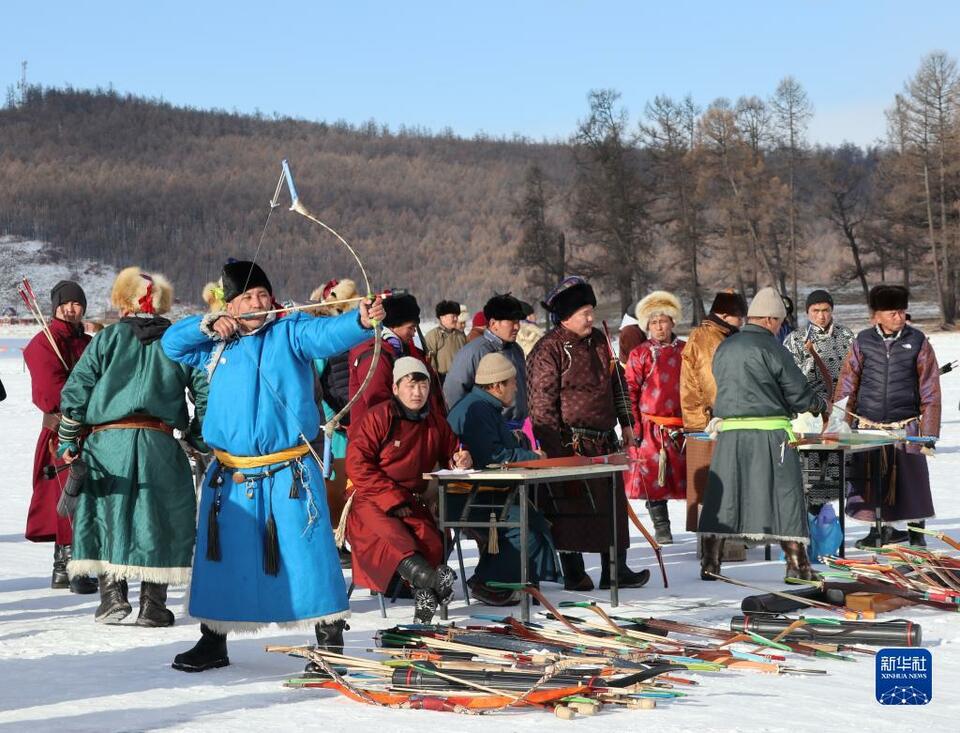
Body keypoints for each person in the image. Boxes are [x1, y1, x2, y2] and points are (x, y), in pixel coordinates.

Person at [161, 260, 382, 672]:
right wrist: (207, 326)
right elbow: (172, 345)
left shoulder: (290, 331)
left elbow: (328, 334)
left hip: (290, 472)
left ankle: (330, 643)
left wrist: (361, 320)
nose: (259, 302)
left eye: (263, 294)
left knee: (308, 553)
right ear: (231, 304)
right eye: (248, 297)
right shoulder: (216, 341)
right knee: (220, 556)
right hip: (231, 473)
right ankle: (213, 640)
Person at [58, 267, 207, 625]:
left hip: (106, 441)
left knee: (108, 512)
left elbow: (78, 387)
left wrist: (68, 438)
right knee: (160, 517)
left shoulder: (106, 339)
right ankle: (153, 606)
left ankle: (111, 598)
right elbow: (205, 392)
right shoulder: (177, 340)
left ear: (124, 302)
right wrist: (196, 436)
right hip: (159, 441)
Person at [698, 287, 827, 582]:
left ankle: (710, 563)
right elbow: (798, 394)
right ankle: (797, 566)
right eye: (779, 321)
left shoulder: (725, 346)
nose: (780, 326)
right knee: (785, 496)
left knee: (725, 497)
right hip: (770, 434)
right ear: (769, 319)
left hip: (729, 434)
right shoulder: (773, 348)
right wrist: (819, 403)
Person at [527, 276, 649, 592]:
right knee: (570, 511)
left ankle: (615, 571)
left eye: (591, 311)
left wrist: (627, 424)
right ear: (566, 315)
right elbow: (542, 401)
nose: (591, 318)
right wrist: (555, 448)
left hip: (604, 440)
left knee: (612, 507)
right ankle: (574, 573)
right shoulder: (549, 348)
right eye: (584, 312)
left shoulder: (598, 341)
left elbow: (617, 385)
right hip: (571, 443)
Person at [345, 357, 471, 622]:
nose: (417, 392)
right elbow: (357, 465)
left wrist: (460, 458)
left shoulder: (434, 421)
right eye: (410, 386)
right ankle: (434, 581)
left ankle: (424, 606)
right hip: (370, 499)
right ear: (395, 388)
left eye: (423, 386)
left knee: (432, 541)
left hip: (411, 500)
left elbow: (452, 451)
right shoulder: (378, 418)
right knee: (393, 539)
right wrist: (390, 497)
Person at [446, 353, 561, 604]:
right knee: (527, 528)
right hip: (467, 495)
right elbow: (492, 455)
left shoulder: (483, 406)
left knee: (532, 519)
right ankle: (489, 584)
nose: (516, 389)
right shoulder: (478, 410)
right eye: (512, 383)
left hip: (482, 492)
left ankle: (492, 579)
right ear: (497, 386)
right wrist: (532, 457)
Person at [834, 285, 941, 549]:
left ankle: (916, 535)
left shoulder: (918, 342)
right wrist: (839, 425)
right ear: (877, 316)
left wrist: (928, 433)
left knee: (912, 483)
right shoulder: (862, 342)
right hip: (870, 426)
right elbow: (848, 386)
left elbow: (930, 389)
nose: (899, 317)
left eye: (902, 311)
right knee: (872, 482)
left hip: (907, 426)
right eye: (893, 312)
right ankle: (877, 532)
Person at [22, 280, 97, 594]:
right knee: (68, 496)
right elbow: (53, 393)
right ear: (55, 307)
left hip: (93, 432)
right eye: (65, 303)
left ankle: (75, 564)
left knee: (92, 498)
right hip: (59, 432)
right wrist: (87, 398)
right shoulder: (41, 344)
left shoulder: (91, 342)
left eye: (77, 303)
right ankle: (69, 565)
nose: (71, 308)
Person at [783, 289, 855, 515]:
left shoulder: (847, 336)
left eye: (825, 310)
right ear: (807, 312)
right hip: (809, 414)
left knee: (836, 472)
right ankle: (811, 516)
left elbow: (857, 371)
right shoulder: (796, 339)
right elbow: (787, 378)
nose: (821, 316)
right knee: (811, 471)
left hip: (840, 410)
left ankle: (827, 521)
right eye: (816, 311)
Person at [680, 290, 746, 533]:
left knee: (721, 483)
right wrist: (733, 411)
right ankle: (712, 540)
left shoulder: (721, 334)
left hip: (716, 419)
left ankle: (724, 535)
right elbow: (713, 383)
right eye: (739, 316)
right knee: (711, 487)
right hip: (707, 421)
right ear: (726, 314)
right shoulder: (707, 337)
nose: (742, 321)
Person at [624, 291, 686, 544]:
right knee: (653, 479)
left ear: (672, 321)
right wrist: (634, 428)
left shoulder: (686, 350)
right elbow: (629, 391)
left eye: (663, 321)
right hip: (651, 427)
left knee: (693, 478)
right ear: (647, 326)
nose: (659, 327)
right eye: (653, 322)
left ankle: (702, 529)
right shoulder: (640, 354)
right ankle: (662, 527)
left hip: (683, 427)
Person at [309, 278, 360, 563]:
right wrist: (331, 418)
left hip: (353, 420)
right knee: (333, 483)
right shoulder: (323, 338)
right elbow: (316, 380)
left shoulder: (355, 337)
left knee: (350, 481)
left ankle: (346, 537)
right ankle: (332, 540)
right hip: (335, 426)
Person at [347, 293, 445, 433]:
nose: (413, 333)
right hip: (380, 437)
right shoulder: (375, 356)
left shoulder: (403, 350)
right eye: (410, 328)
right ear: (394, 325)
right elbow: (379, 404)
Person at [443, 294, 529, 426]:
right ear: (493, 324)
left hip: (519, 426)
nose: (517, 327)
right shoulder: (474, 351)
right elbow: (453, 392)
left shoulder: (516, 349)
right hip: (488, 429)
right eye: (512, 322)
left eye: (518, 322)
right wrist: (472, 424)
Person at [423, 299, 467, 383]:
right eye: (453, 316)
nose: (456, 319)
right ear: (442, 317)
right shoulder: (433, 336)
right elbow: (429, 361)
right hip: (441, 380)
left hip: (461, 378)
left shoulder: (460, 335)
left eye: (456, 316)